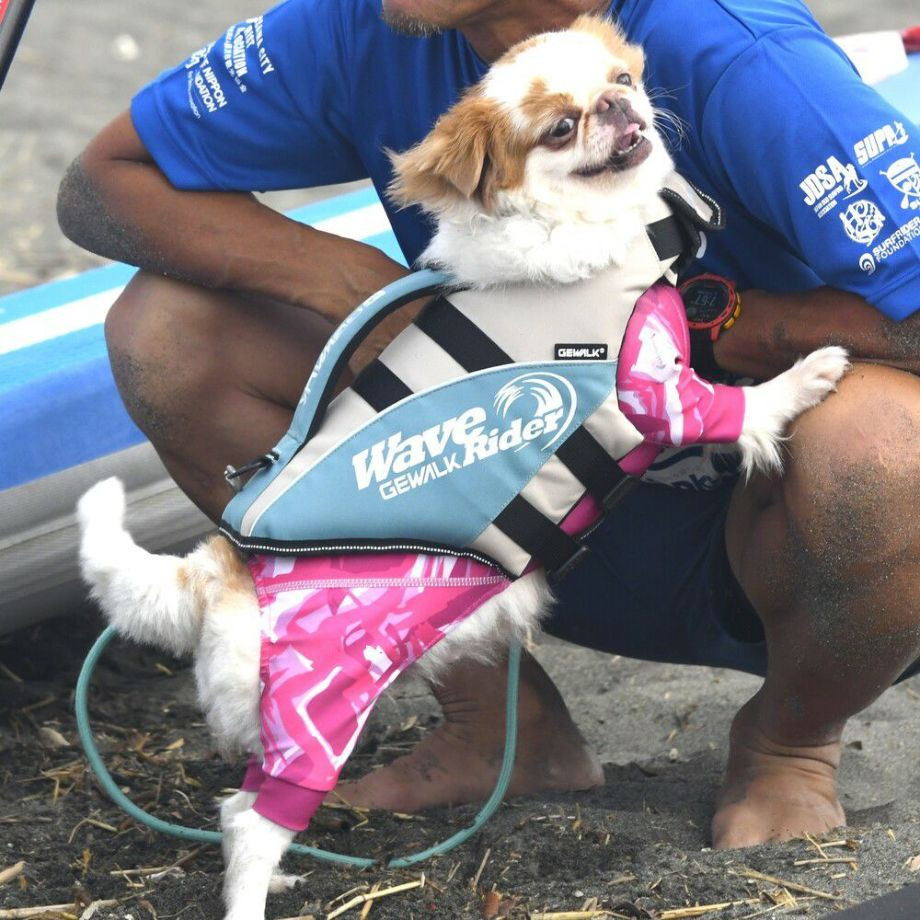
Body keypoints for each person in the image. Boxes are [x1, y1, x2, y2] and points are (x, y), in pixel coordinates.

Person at [56, 0, 920, 849]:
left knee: (888, 445)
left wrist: (743, 325)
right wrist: (342, 280)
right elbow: (104, 182)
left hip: (781, 538)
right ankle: (500, 723)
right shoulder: (361, 22)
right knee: (168, 335)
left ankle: (790, 744)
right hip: (502, 511)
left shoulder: (735, 49)